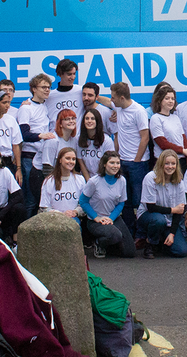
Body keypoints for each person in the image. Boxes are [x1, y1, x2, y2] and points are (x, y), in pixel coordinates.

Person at [111, 82, 151, 239]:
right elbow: (106, 102)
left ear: (122, 97)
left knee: (139, 201)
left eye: (113, 97)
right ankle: (129, 234)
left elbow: (145, 137)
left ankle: (142, 235)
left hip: (137, 164)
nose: (111, 100)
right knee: (125, 201)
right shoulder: (119, 107)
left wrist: (136, 160)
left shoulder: (139, 111)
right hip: (122, 162)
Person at [79, 151, 136, 259]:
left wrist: (111, 218)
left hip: (113, 217)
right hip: (95, 220)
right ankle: (99, 243)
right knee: (114, 235)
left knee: (130, 252)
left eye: (118, 163)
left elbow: (121, 203)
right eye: (112, 163)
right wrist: (96, 217)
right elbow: (83, 201)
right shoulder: (93, 182)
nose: (115, 166)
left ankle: (110, 246)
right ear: (104, 164)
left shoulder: (122, 180)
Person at [15, 74, 55, 216]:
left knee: (42, 198)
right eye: (43, 87)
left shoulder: (45, 106)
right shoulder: (26, 108)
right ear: (33, 89)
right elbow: (23, 134)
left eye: (49, 87)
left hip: (44, 157)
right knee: (30, 198)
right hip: (29, 158)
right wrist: (40, 136)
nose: (47, 90)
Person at [137, 149, 187, 258]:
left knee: (181, 251)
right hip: (149, 216)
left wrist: (172, 234)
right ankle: (150, 243)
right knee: (158, 220)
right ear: (161, 164)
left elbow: (180, 210)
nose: (170, 166)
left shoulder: (179, 182)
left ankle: (162, 242)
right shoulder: (151, 178)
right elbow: (150, 207)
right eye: (167, 163)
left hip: (169, 219)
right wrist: (172, 210)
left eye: (173, 164)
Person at [40, 146, 85, 222]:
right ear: (60, 160)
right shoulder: (49, 181)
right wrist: (61, 214)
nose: (71, 161)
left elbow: (84, 204)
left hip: (73, 219)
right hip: (54, 219)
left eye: (73, 159)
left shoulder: (80, 179)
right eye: (68, 158)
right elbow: (43, 208)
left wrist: (75, 211)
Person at [150, 89, 187, 169]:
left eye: (172, 99)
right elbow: (162, 143)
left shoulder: (175, 117)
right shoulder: (155, 118)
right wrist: (182, 151)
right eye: (167, 98)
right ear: (160, 100)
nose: (170, 101)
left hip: (180, 161)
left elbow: (183, 139)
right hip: (165, 162)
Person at [45, 59, 84, 133]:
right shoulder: (49, 96)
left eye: (74, 74)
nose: (72, 77)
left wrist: (112, 108)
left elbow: (96, 100)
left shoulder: (81, 91)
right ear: (60, 74)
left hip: (76, 140)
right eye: (69, 74)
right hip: (56, 140)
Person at [77, 108, 115, 178]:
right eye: (87, 118)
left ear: (97, 121)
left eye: (92, 119)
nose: (89, 121)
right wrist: (89, 181)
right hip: (86, 178)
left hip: (103, 178)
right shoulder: (79, 139)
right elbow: (81, 163)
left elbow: (109, 163)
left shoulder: (106, 140)